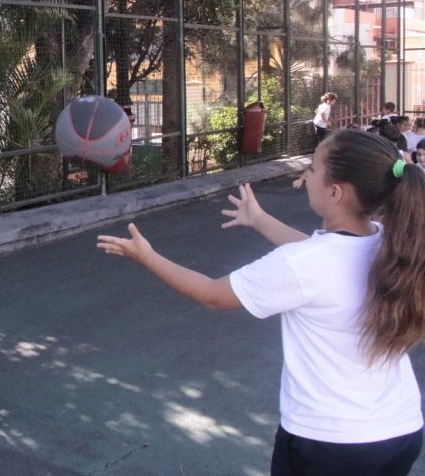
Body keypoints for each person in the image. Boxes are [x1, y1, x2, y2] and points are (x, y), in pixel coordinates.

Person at [97, 128, 425, 475]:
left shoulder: (307, 264)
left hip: (330, 444)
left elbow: (213, 295)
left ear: (335, 191)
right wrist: (260, 220)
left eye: (313, 168)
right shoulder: (391, 244)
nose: (306, 175)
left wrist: (147, 256)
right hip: (400, 430)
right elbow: (318, 260)